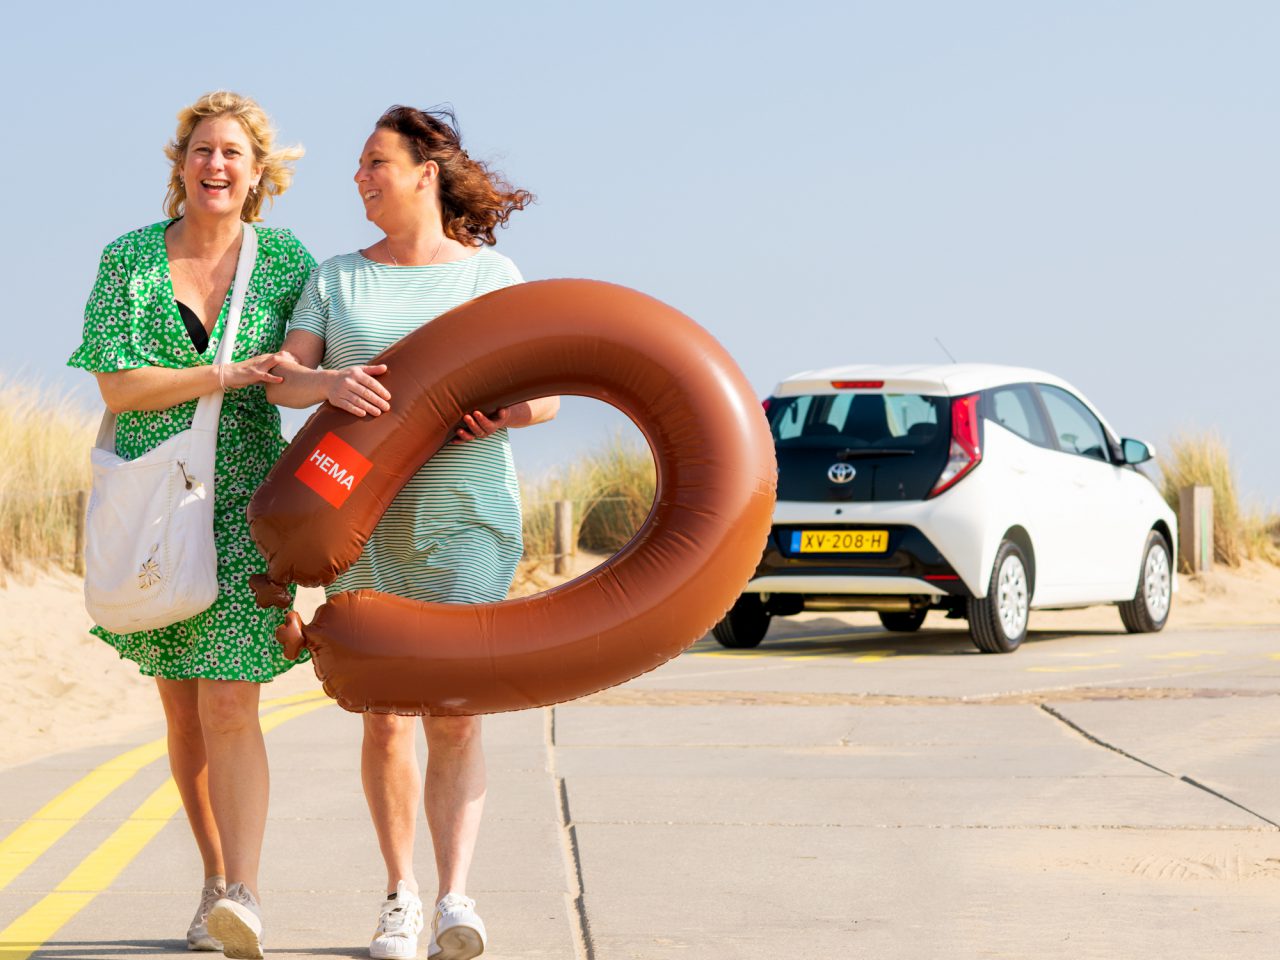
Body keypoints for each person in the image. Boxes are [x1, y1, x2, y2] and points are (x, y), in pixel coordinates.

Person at [266, 104, 557, 960]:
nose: (358, 177)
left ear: (426, 173)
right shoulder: (336, 278)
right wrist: (329, 382)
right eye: (358, 166)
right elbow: (283, 383)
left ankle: (457, 900)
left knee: (457, 712)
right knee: (386, 714)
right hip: (361, 523)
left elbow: (542, 398)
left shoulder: (490, 277)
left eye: (373, 162)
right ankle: (400, 897)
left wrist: (493, 416)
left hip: (466, 518)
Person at [68, 91, 314, 960]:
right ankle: (213, 880)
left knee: (229, 701)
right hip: (151, 505)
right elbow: (120, 386)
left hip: (247, 504)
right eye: (203, 150)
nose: (217, 166)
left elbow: (299, 375)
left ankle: (244, 891)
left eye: (234, 155)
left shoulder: (286, 261)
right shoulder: (131, 258)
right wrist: (221, 373)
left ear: (259, 175)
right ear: (180, 165)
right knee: (181, 712)